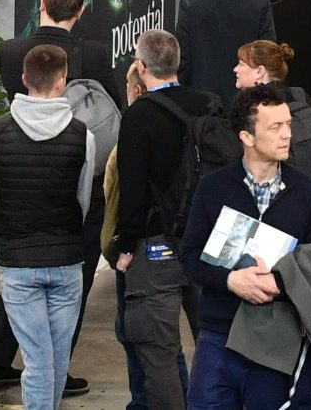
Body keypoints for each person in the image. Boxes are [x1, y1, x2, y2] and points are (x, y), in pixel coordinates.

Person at [178, 83, 311, 410]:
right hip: (220, 335)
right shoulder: (213, 189)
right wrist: (231, 280)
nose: (287, 135)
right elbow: (190, 256)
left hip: (280, 338)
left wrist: (278, 283)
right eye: (275, 127)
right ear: (246, 137)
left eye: (288, 125)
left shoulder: (308, 192)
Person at [0, 44, 100, 410]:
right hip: (66, 262)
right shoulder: (84, 136)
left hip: (18, 263)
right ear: (62, 82)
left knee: (38, 361)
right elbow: (82, 203)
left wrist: (3, 245)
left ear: (23, 79)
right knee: (56, 362)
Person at [107, 28, 207, 410]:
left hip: (156, 247)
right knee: (213, 343)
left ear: (141, 65)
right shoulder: (208, 106)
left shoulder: (139, 116)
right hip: (208, 243)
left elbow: (132, 190)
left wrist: (126, 246)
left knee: (159, 352)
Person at [176, 0, 276, 100]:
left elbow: (183, 59)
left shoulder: (191, 2)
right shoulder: (259, 5)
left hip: (202, 104)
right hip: (246, 103)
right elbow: (267, 59)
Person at [232, 41, 311, 195]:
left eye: (241, 64)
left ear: (259, 72)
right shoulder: (300, 95)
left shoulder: (254, 107)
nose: (236, 69)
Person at [2, 0, 115, 99]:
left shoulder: (8, 51)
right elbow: (112, 104)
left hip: (21, 119)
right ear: (80, 12)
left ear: (42, 4)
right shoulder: (93, 54)